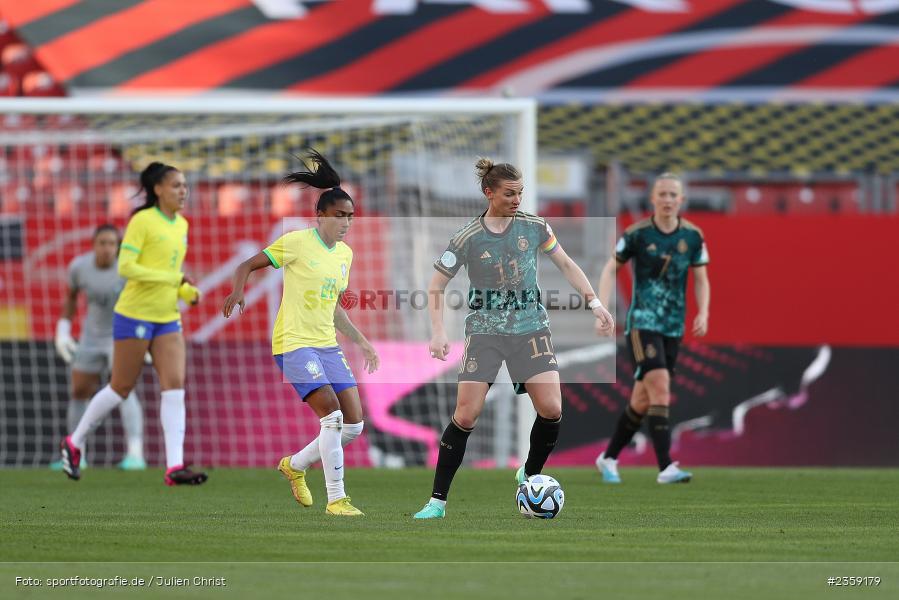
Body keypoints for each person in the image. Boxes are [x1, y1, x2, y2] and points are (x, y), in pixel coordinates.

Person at [413, 157, 615, 520]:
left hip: (530, 329)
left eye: (520, 192)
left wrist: (595, 303)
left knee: (552, 409)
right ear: (489, 193)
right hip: (485, 332)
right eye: (509, 193)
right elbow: (436, 285)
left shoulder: (535, 226)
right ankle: (437, 503)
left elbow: (566, 264)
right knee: (466, 415)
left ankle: (529, 473)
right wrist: (439, 331)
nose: (517, 199)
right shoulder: (467, 237)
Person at [223, 150, 379, 517]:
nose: (346, 222)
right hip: (294, 343)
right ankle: (337, 500)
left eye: (351, 216)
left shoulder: (345, 255)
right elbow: (247, 264)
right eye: (339, 215)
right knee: (333, 417)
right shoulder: (296, 242)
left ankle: (294, 465)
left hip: (327, 345)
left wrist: (362, 342)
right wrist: (238, 290)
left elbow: (333, 308)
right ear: (320, 215)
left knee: (354, 426)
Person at [60, 162, 207, 486]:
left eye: (185, 185)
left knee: (175, 387)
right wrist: (172, 278)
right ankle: (74, 441)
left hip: (167, 316)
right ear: (158, 189)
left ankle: (174, 466)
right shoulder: (142, 220)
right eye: (176, 185)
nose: (183, 191)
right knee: (121, 387)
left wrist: (185, 291)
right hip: (135, 314)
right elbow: (126, 267)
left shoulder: (182, 225)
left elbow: (172, 273)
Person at [595, 172, 710, 484]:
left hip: (673, 327)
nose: (668, 199)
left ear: (681, 200)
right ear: (653, 199)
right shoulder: (638, 234)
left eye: (673, 194)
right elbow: (610, 268)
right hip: (642, 324)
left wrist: (703, 312)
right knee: (660, 386)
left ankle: (608, 458)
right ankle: (666, 467)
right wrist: (602, 308)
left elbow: (701, 279)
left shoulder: (693, 237)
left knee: (642, 400)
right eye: (663, 194)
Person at [52, 224, 146, 471]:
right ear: (94, 245)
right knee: (79, 391)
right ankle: (77, 453)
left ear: (118, 247)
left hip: (122, 336)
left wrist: (145, 336)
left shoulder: (129, 269)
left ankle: (136, 454)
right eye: (102, 243)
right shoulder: (79, 267)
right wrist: (63, 329)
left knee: (124, 390)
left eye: (111, 244)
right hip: (91, 338)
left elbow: (145, 302)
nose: (106, 248)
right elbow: (71, 298)